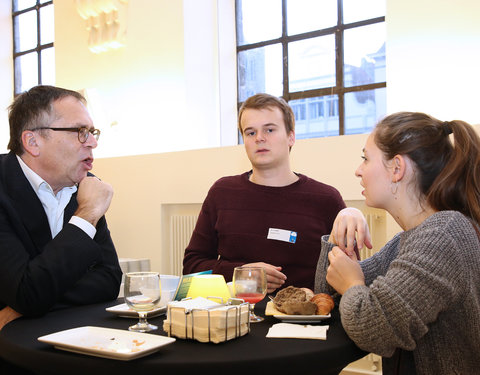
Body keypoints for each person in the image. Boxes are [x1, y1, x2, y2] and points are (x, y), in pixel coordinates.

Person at [314, 111, 480, 374]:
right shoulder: (410, 239)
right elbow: (326, 293)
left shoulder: (443, 235)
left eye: (365, 159)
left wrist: (353, 283)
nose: (358, 171)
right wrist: (341, 225)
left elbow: (373, 329)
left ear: (397, 169)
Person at [183, 93, 365, 293]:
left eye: (269, 129)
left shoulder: (325, 199)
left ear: (291, 136)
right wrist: (241, 273)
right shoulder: (222, 193)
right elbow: (192, 266)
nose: (259, 138)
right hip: (239, 315)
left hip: (303, 320)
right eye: (250, 133)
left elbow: (351, 275)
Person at [0, 85, 123, 332]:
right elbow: (27, 291)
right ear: (33, 142)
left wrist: (25, 305)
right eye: (80, 131)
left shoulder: (86, 186)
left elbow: (108, 279)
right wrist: (86, 214)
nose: (92, 143)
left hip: (61, 331)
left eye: (92, 132)